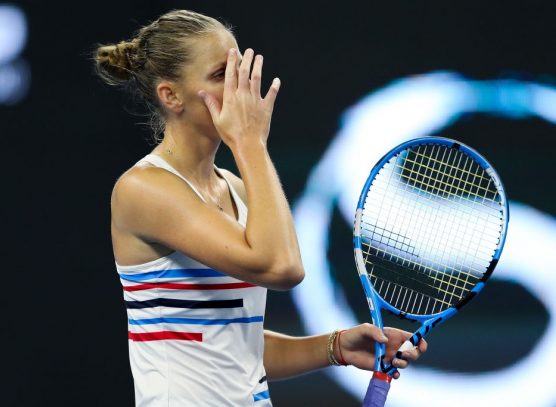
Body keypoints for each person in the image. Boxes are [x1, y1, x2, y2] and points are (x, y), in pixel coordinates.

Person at [95, 9, 427, 406]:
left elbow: (236, 348)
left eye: (240, 71)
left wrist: (335, 347)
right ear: (171, 95)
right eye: (221, 76)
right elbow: (283, 268)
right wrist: (250, 143)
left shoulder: (235, 187)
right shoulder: (145, 190)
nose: (240, 91)